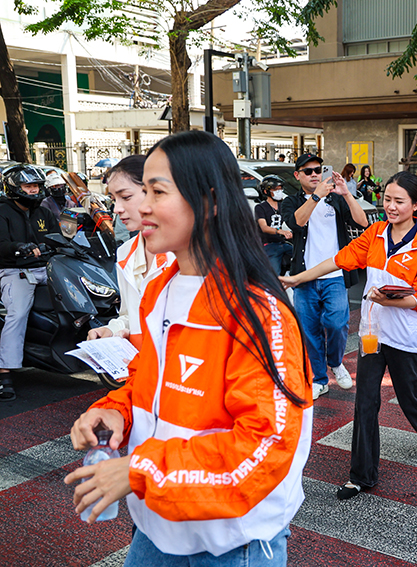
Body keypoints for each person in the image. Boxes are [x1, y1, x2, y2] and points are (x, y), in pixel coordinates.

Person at [63, 130, 312, 565]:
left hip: (231, 540)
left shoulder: (257, 312)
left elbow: (265, 448)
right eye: (143, 192)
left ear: (210, 201)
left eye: (156, 191)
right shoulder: (159, 287)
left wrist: (141, 470)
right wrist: (114, 411)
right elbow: (149, 379)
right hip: (158, 524)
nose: (140, 208)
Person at [281, 170, 417, 500]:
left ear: (416, 204)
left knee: (410, 398)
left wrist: (391, 300)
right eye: (387, 200)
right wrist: (299, 278)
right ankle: (361, 475)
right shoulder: (375, 233)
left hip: (406, 337)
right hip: (373, 334)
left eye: (399, 201)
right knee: (365, 403)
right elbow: (338, 260)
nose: (391, 207)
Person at [281, 153, 367, 399]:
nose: (314, 174)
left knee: (337, 323)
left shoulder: (335, 200)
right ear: (297, 175)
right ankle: (319, 379)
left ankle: (336, 362)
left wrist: (346, 194)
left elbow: (361, 222)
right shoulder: (291, 201)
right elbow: (297, 222)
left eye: (317, 170)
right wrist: (316, 196)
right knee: (310, 331)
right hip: (304, 277)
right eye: (308, 171)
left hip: (335, 276)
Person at [86, 155, 174, 349]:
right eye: (113, 199)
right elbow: (130, 314)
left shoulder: (183, 254)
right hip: (141, 370)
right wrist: (111, 329)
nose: (116, 209)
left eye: (126, 197)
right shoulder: (125, 252)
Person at [0, 165, 60, 402]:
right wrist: (18, 248)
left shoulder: (44, 213)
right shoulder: (3, 211)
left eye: (36, 185)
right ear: (15, 188)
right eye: (28, 186)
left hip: (46, 268)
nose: (34, 190)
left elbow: (56, 238)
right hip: (15, 270)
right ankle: (4, 374)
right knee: (17, 313)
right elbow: (2, 243)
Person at [255, 175, 294, 275]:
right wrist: (279, 231)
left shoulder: (283, 205)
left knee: (302, 259)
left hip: (284, 243)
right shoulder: (260, 207)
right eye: (276, 189)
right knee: (273, 275)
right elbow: (264, 227)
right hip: (269, 244)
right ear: (266, 192)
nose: (279, 191)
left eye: (280, 189)